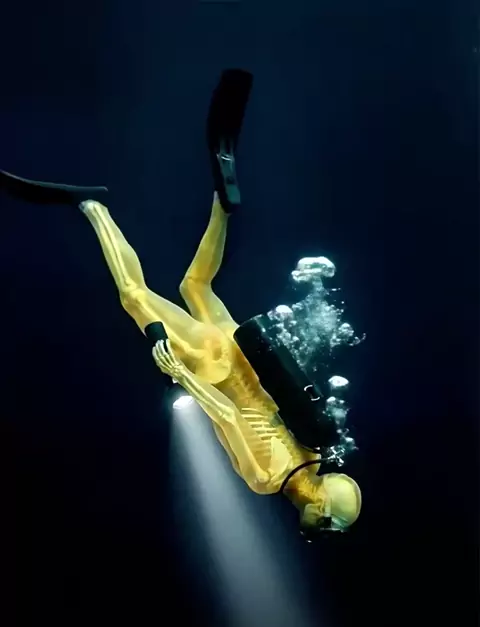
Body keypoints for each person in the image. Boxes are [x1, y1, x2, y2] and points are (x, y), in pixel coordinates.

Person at [1, 69, 361, 537]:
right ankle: (93, 208)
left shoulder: (315, 449)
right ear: (322, 509)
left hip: (240, 348)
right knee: (134, 295)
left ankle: (221, 205)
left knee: (196, 285)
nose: (316, 529)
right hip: (218, 367)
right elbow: (227, 415)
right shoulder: (267, 480)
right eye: (327, 526)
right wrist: (182, 374)